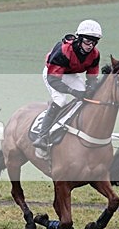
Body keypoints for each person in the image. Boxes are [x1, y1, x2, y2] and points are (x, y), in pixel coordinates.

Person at [33, 19, 102, 152]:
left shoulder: (95, 54)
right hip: (52, 74)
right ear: (80, 39)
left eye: (94, 42)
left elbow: (92, 77)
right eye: (87, 41)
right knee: (61, 100)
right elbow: (53, 79)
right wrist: (72, 91)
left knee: (87, 97)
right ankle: (42, 135)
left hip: (70, 74)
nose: (90, 45)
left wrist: (91, 88)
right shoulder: (64, 50)